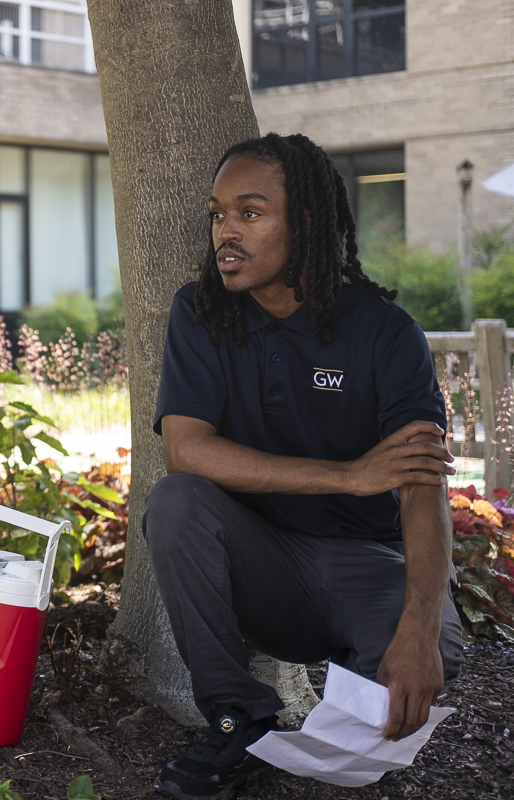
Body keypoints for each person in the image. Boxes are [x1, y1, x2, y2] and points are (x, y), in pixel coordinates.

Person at [147, 133, 464, 800]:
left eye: (250, 212)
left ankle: (354, 702)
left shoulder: (386, 333)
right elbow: (187, 451)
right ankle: (236, 720)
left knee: (427, 651)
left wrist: (417, 625)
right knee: (175, 502)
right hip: (264, 567)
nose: (226, 232)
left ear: (309, 223)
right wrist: (348, 475)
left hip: (366, 565)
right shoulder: (201, 314)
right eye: (218, 214)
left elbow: (422, 488)